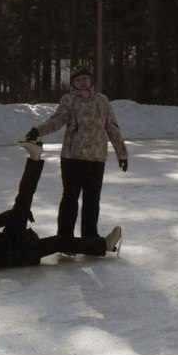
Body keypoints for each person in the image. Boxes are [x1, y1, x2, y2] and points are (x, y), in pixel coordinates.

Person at [0, 142, 122, 271]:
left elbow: (1, 219)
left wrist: (20, 212)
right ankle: (104, 245)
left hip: (12, 238)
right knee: (60, 241)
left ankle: (34, 158)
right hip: (21, 253)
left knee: (23, 199)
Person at [20, 65, 128, 246]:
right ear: (73, 84)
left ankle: (90, 238)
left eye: (85, 78)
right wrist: (37, 131)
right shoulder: (69, 100)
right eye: (78, 80)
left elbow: (111, 127)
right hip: (72, 157)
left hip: (96, 158)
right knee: (70, 198)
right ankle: (65, 238)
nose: (82, 82)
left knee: (92, 200)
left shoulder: (102, 100)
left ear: (91, 80)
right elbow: (57, 120)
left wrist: (122, 153)